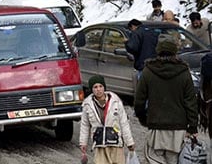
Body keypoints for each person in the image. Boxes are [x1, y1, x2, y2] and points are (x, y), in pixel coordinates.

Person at [134, 36, 197, 164]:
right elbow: (190, 101)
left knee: (153, 158)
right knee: (174, 160)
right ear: (175, 52)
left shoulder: (148, 71)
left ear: (158, 51)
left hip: (156, 125)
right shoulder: (184, 72)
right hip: (178, 127)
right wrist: (193, 126)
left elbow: (139, 100)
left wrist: (143, 118)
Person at [79, 75, 135, 164]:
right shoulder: (87, 105)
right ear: (91, 89)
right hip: (99, 144)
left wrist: (129, 142)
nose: (98, 89)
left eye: (100, 86)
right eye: (95, 87)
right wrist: (83, 142)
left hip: (116, 143)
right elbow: (85, 125)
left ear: (104, 87)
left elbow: (124, 123)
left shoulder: (115, 102)